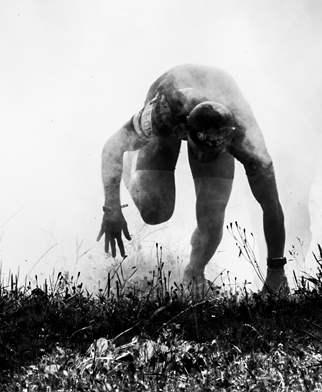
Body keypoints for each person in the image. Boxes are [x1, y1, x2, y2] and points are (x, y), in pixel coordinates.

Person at [97, 64, 288, 294]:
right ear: (185, 131)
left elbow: (271, 204)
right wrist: (112, 208)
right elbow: (112, 148)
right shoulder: (163, 115)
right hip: (172, 99)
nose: (200, 158)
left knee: (212, 215)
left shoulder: (247, 143)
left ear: (227, 141)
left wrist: (276, 270)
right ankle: (133, 166)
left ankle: (194, 273)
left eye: (211, 153)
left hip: (218, 115)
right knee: (155, 212)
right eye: (198, 150)